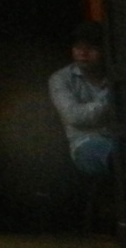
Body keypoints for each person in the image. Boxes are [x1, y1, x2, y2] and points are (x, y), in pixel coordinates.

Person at [48, 22, 116, 178]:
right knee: (111, 154)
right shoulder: (61, 79)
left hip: (121, 136)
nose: (83, 53)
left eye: (91, 48)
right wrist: (111, 103)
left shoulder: (116, 75)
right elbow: (74, 115)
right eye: (78, 47)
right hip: (85, 143)